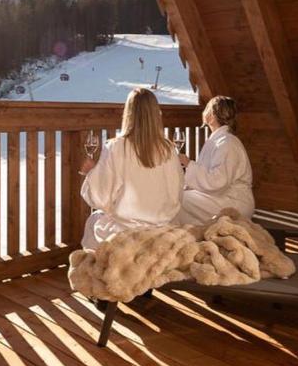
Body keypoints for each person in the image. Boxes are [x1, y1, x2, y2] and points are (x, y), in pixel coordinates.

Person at [80, 88, 183, 249]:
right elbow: (177, 191)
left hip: (126, 231)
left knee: (94, 221)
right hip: (162, 228)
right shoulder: (168, 149)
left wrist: (92, 174)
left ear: (129, 113)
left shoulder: (116, 147)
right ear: (156, 114)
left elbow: (100, 197)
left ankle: (93, 271)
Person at [173, 96, 254, 225]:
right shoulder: (219, 140)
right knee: (177, 196)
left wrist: (189, 164)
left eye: (207, 109)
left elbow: (219, 182)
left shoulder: (228, 143)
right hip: (220, 196)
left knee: (178, 200)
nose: (204, 112)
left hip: (233, 201)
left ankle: (176, 236)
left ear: (212, 116)